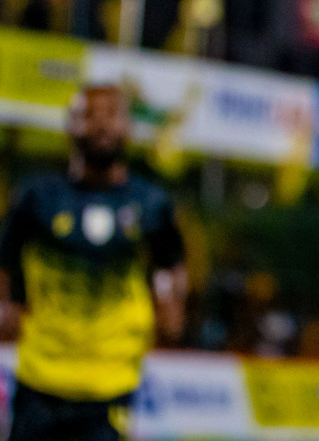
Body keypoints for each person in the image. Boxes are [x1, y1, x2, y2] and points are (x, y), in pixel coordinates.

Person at [0, 84, 187, 441]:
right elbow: (6, 260)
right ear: (70, 125)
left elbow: (170, 263)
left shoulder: (151, 203)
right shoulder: (36, 198)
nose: (101, 125)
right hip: (41, 378)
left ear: (128, 127)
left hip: (111, 383)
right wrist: (8, 304)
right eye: (89, 115)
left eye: (111, 115)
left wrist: (171, 301)